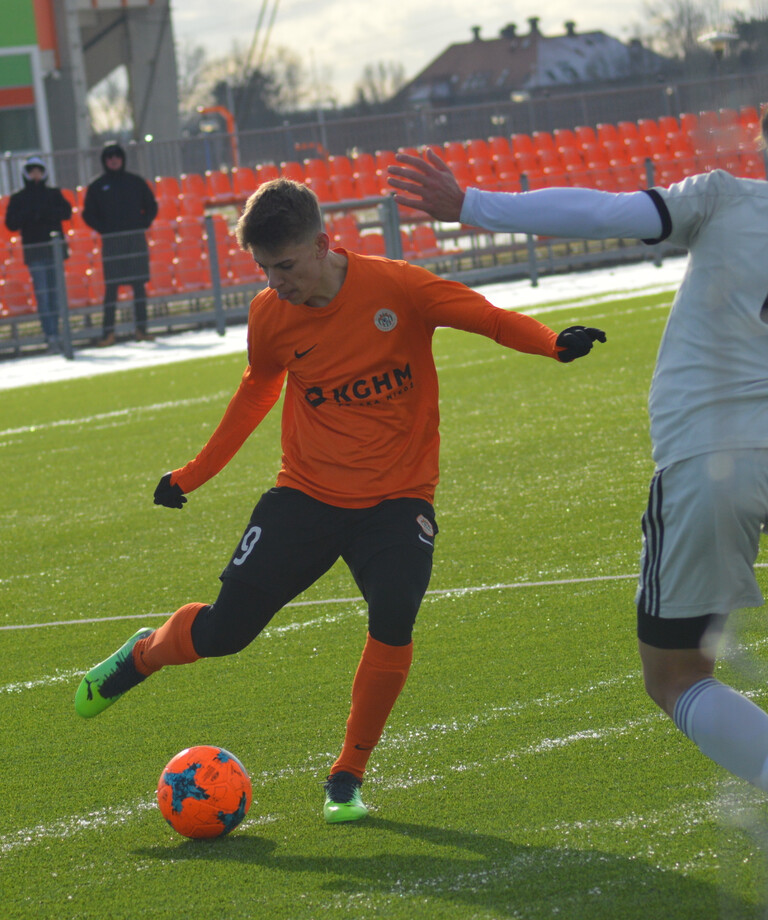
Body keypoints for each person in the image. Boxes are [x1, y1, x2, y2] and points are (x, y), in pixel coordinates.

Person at [74, 177, 605, 822]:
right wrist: (192, 475)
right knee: (224, 634)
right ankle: (144, 653)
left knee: (394, 615)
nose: (276, 282)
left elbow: (487, 318)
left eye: (287, 266)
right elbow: (255, 393)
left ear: (325, 244)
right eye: (265, 269)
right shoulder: (269, 316)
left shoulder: (398, 287)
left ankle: (346, 777)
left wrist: (552, 343)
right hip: (305, 497)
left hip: (397, 499)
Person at [387, 135, 768, 793]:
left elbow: (605, 215)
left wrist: (469, 202)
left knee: (675, 675)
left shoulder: (727, 199)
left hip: (712, 460)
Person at [82, 141, 158, 346]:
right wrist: (104, 229)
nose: (113, 160)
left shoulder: (136, 182)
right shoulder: (97, 186)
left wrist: (142, 223)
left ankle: (142, 330)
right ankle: (108, 334)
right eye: (109, 157)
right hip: (112, 242)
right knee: (111, 289)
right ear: (104, 161)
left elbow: (152, 206)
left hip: (135, 240)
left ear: (122, 159)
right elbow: (87, 214)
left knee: (139, 286)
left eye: (117, 156)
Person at [4, 155, 71, 352]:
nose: (35, 174)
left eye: (38, 170)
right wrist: (31, 214)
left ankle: (59, 333)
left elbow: (66, 212)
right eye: (32, 170)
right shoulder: (19, 198)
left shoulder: (53, 194)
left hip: (54, 251)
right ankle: (50, 335)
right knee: (43, 295)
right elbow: (11, 223)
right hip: (35, 252)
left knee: (56, 294)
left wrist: (44, 212)